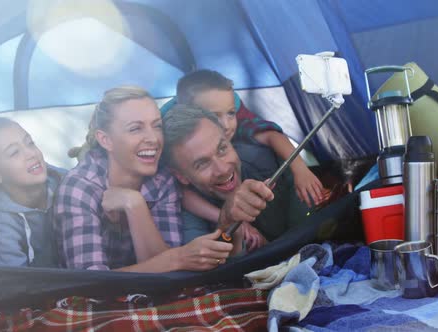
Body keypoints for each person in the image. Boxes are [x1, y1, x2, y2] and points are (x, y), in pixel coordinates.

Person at [54, 86, 265, 272]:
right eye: (136, 128)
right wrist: (179, 258)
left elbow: (166, 270)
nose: (153, 139)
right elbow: (90, 282)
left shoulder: (161, 180)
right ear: (106, 140)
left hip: (145, 294)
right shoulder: (80, 187)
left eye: (156, 126)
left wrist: (135, 205)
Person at [168, 70, 324, 250]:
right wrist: (226, 218)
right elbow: (178, 189)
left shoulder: (250, 143)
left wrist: (301, 170)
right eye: (202, 163)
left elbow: (271, 135)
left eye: (230, 114)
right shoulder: (169, 135)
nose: (226, 125)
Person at [0, 117, 62, 267]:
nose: (31, 154)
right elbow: (16, 281)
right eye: (14, 153)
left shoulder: (68, 184)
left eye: (30, 143)